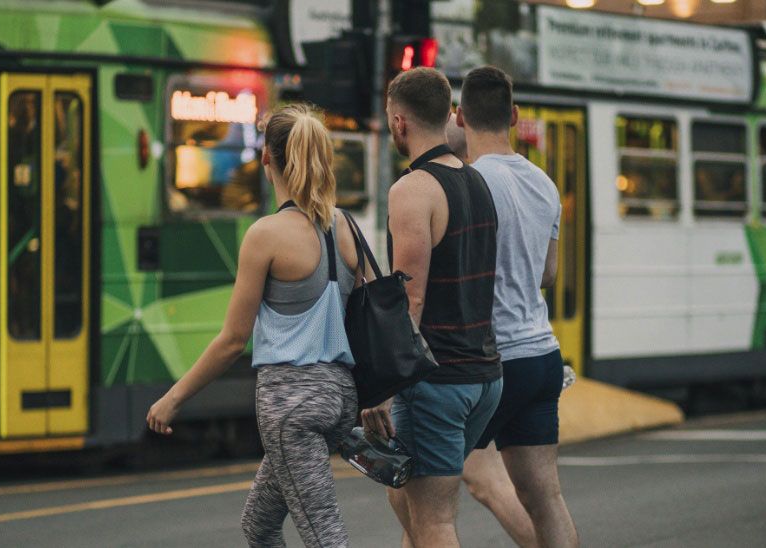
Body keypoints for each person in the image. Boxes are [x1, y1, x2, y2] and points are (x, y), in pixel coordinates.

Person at [147, 103, 371, 547]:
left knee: (325, 535)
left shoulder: (266, 235)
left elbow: (233, 340)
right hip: (341, 397)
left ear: (266, 158)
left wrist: (173, 398)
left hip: (290, 404)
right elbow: (374, 312)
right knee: (260, 525)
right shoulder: (345, 226)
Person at [360, 67, 503, 548]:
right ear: (449, 116)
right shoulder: (478, 184)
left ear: (399, 122)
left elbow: (410, 297)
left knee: (434, 519)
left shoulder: (413, 190)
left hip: (438, 381)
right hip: (484, 376)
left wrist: (382, 385)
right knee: (411, 507)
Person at [457, 65, 581, 548]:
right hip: (540, 356)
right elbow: (547, 274)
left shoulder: (466, 184)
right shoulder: (544, 184)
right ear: (513, 116)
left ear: (460, 118)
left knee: (421, 496)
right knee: (545, 497)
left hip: (488, 360)